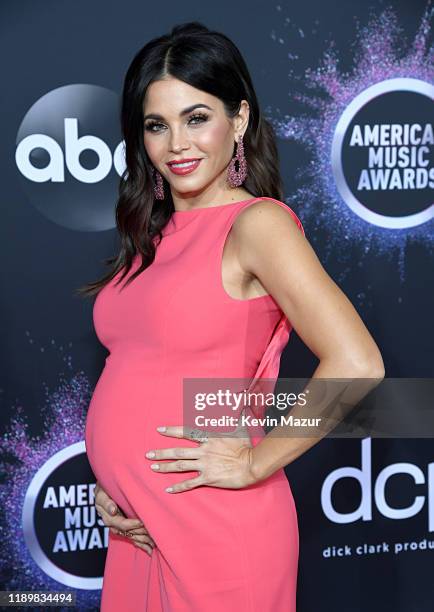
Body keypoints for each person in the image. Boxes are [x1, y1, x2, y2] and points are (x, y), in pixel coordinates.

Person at [78, 21, 385, 611]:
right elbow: (143, 375)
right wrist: (115, 489)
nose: (176, 145)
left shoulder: (257, 225)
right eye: (156, 126)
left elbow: (358, 362)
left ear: (238, 119)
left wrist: (254, 462)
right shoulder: (153, 235)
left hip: (216, 524)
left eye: (197, 118)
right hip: (137, 532)